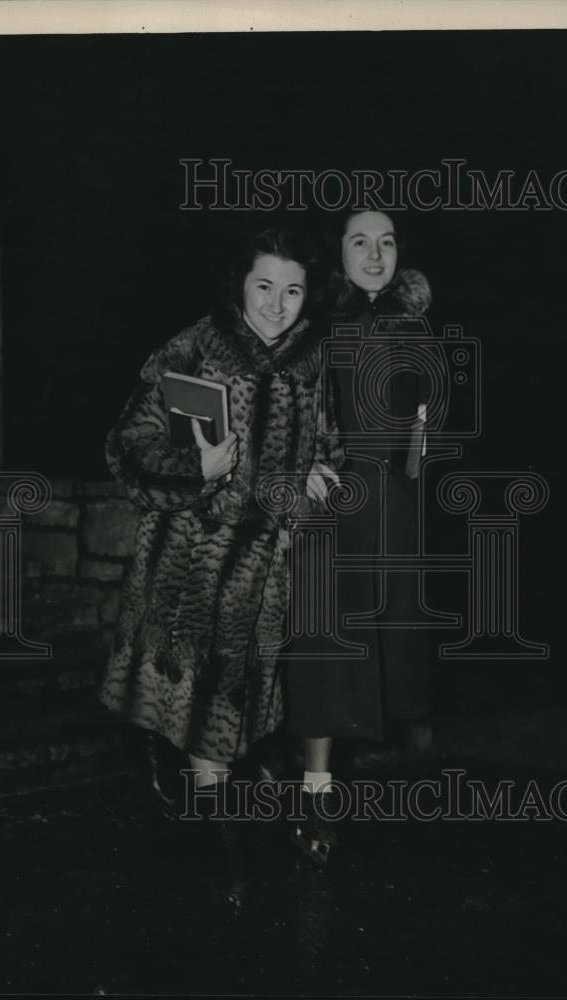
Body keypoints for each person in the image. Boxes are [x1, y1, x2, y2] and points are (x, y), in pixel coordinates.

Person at [99, 227, 341, 903]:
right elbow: (126, 446)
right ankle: (217, 847)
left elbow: (330, 439)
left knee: (232, 709)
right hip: (188, 568)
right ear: (241, 286)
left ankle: (202, 815)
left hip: (267, 571)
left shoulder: (313, 358)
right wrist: (193, 467)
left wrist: (321, 465)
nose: (277, 304)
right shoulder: (196, 344)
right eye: (264, 286)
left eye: (292, 290)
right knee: (201, 710)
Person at [285, 209, 433, 866]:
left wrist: (424, 442)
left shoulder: (416, 326)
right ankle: (313, 793)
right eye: (359, 242)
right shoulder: (314, 324)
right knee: (327, 648)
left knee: (387, 647)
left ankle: (363, 775)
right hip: (331, 505)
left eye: (387, 242)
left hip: (393, 509)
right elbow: (283, 404)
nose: (375, 254)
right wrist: (302, 462)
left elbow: (427, 423)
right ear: (337, 253)